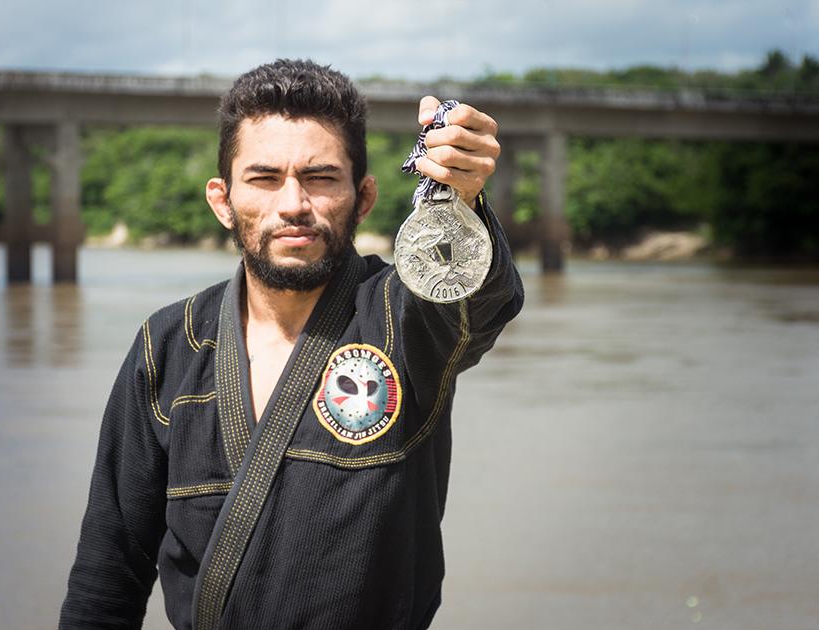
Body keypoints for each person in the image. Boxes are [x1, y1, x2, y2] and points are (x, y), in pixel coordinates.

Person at [60, 58, 523, 630]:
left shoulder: (402, 322)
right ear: (222, 199)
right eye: (263, 178)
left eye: (321, 177)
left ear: (364, 197)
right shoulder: (169, 346)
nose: (293, 205)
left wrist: (463, 200)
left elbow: (481, 304)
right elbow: (109, 574)